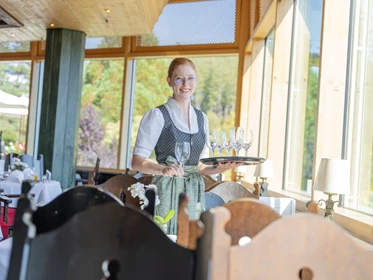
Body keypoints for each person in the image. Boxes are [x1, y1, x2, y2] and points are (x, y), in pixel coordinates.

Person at [131, 57, 242, 234]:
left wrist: (218, 169)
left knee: (191, 238)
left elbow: (198, 166)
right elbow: (136, 162)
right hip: (167, 188)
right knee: (166, 239)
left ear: (195, 80)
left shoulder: (202, 118)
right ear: (169, 81)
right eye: (179, 78)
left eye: (190, 78)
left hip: (194, 190)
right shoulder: (158, 116)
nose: (185, 84)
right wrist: (162, 169)